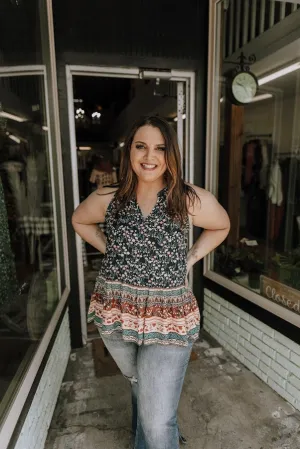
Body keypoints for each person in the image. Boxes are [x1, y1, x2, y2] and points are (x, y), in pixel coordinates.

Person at [72, 115, 230, 449]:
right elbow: (79, 219)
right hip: (116, 314)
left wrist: (189, 258)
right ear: (128, 151)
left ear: (171, 154)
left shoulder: (187, 198)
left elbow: (221, 225)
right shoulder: (109, 197)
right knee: (141, 385)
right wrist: (111, 249)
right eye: (141, 146)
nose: (149, 156)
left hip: (169, 317)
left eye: (160, 148)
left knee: (158, 424)